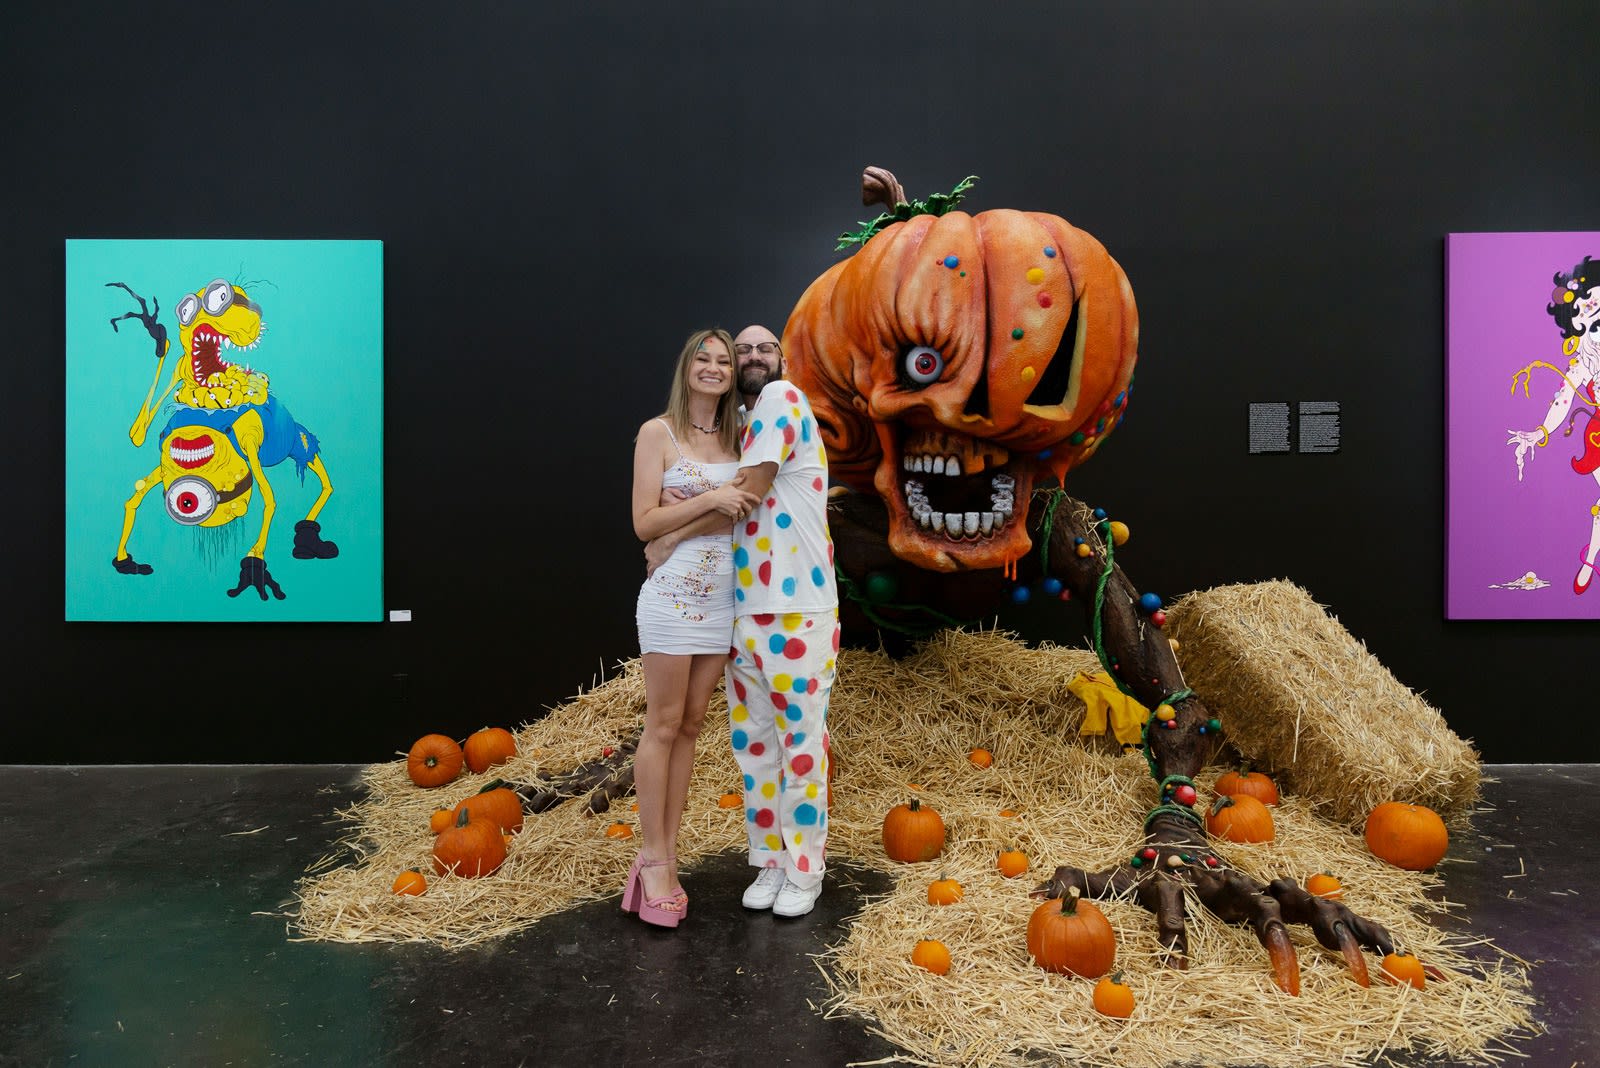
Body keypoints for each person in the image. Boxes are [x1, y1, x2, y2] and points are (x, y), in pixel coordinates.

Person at [647, 324, 840, 918]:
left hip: (798, 610)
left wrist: (669, 535)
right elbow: (729, 500)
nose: (752, 357)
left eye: (763, 348)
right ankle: (770, 862)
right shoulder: (745, 427)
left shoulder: (782, 401)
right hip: (745, 609)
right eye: (743, 351)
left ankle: (805, 868)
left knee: (800, 745)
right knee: (755, 746)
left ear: (780, 359)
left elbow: (745, 496)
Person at [626, 328, 759, 928]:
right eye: (702, 358)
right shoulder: (658, 433)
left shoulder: (743, 435)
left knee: (692, 725)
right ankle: (652, 859)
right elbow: (643, 523)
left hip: (725, 601)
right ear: (687, 369)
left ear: (733, 374)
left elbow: (745, 513)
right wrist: (713, 503)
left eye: (723, 360)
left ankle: (669, 853)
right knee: (662, 723)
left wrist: (691, 517)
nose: (713, 367)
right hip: (673, 596)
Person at [1508, 255, 1600, 594]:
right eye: (1593, 324)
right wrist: (1540, 432)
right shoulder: (1584, 364)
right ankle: (1590, 557)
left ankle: (1590, 555)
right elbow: (1563, 400)